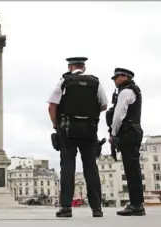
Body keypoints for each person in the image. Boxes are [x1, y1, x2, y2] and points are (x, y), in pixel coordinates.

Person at [47, 57, 108, 218]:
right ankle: (97, 208)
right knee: (91, 167)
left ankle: (66, 207)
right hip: (89, 130)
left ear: (70, 66)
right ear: (84, 67)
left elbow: (52, 105)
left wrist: (56, 124)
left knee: (67, 167)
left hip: (67, 129)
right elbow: (104, 105)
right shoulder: (95, 82)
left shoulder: (64, 81)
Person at [108, 68, 145, 216]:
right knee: (133, 168)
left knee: (131, 169)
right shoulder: (135, 90)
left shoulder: (125, 92)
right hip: (135, 130)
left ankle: (136, 205)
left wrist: (113, 133)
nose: (115, 81)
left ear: (124, 77)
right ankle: (137, 203)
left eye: (116, 78)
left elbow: (118, 115)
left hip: (128, 132)